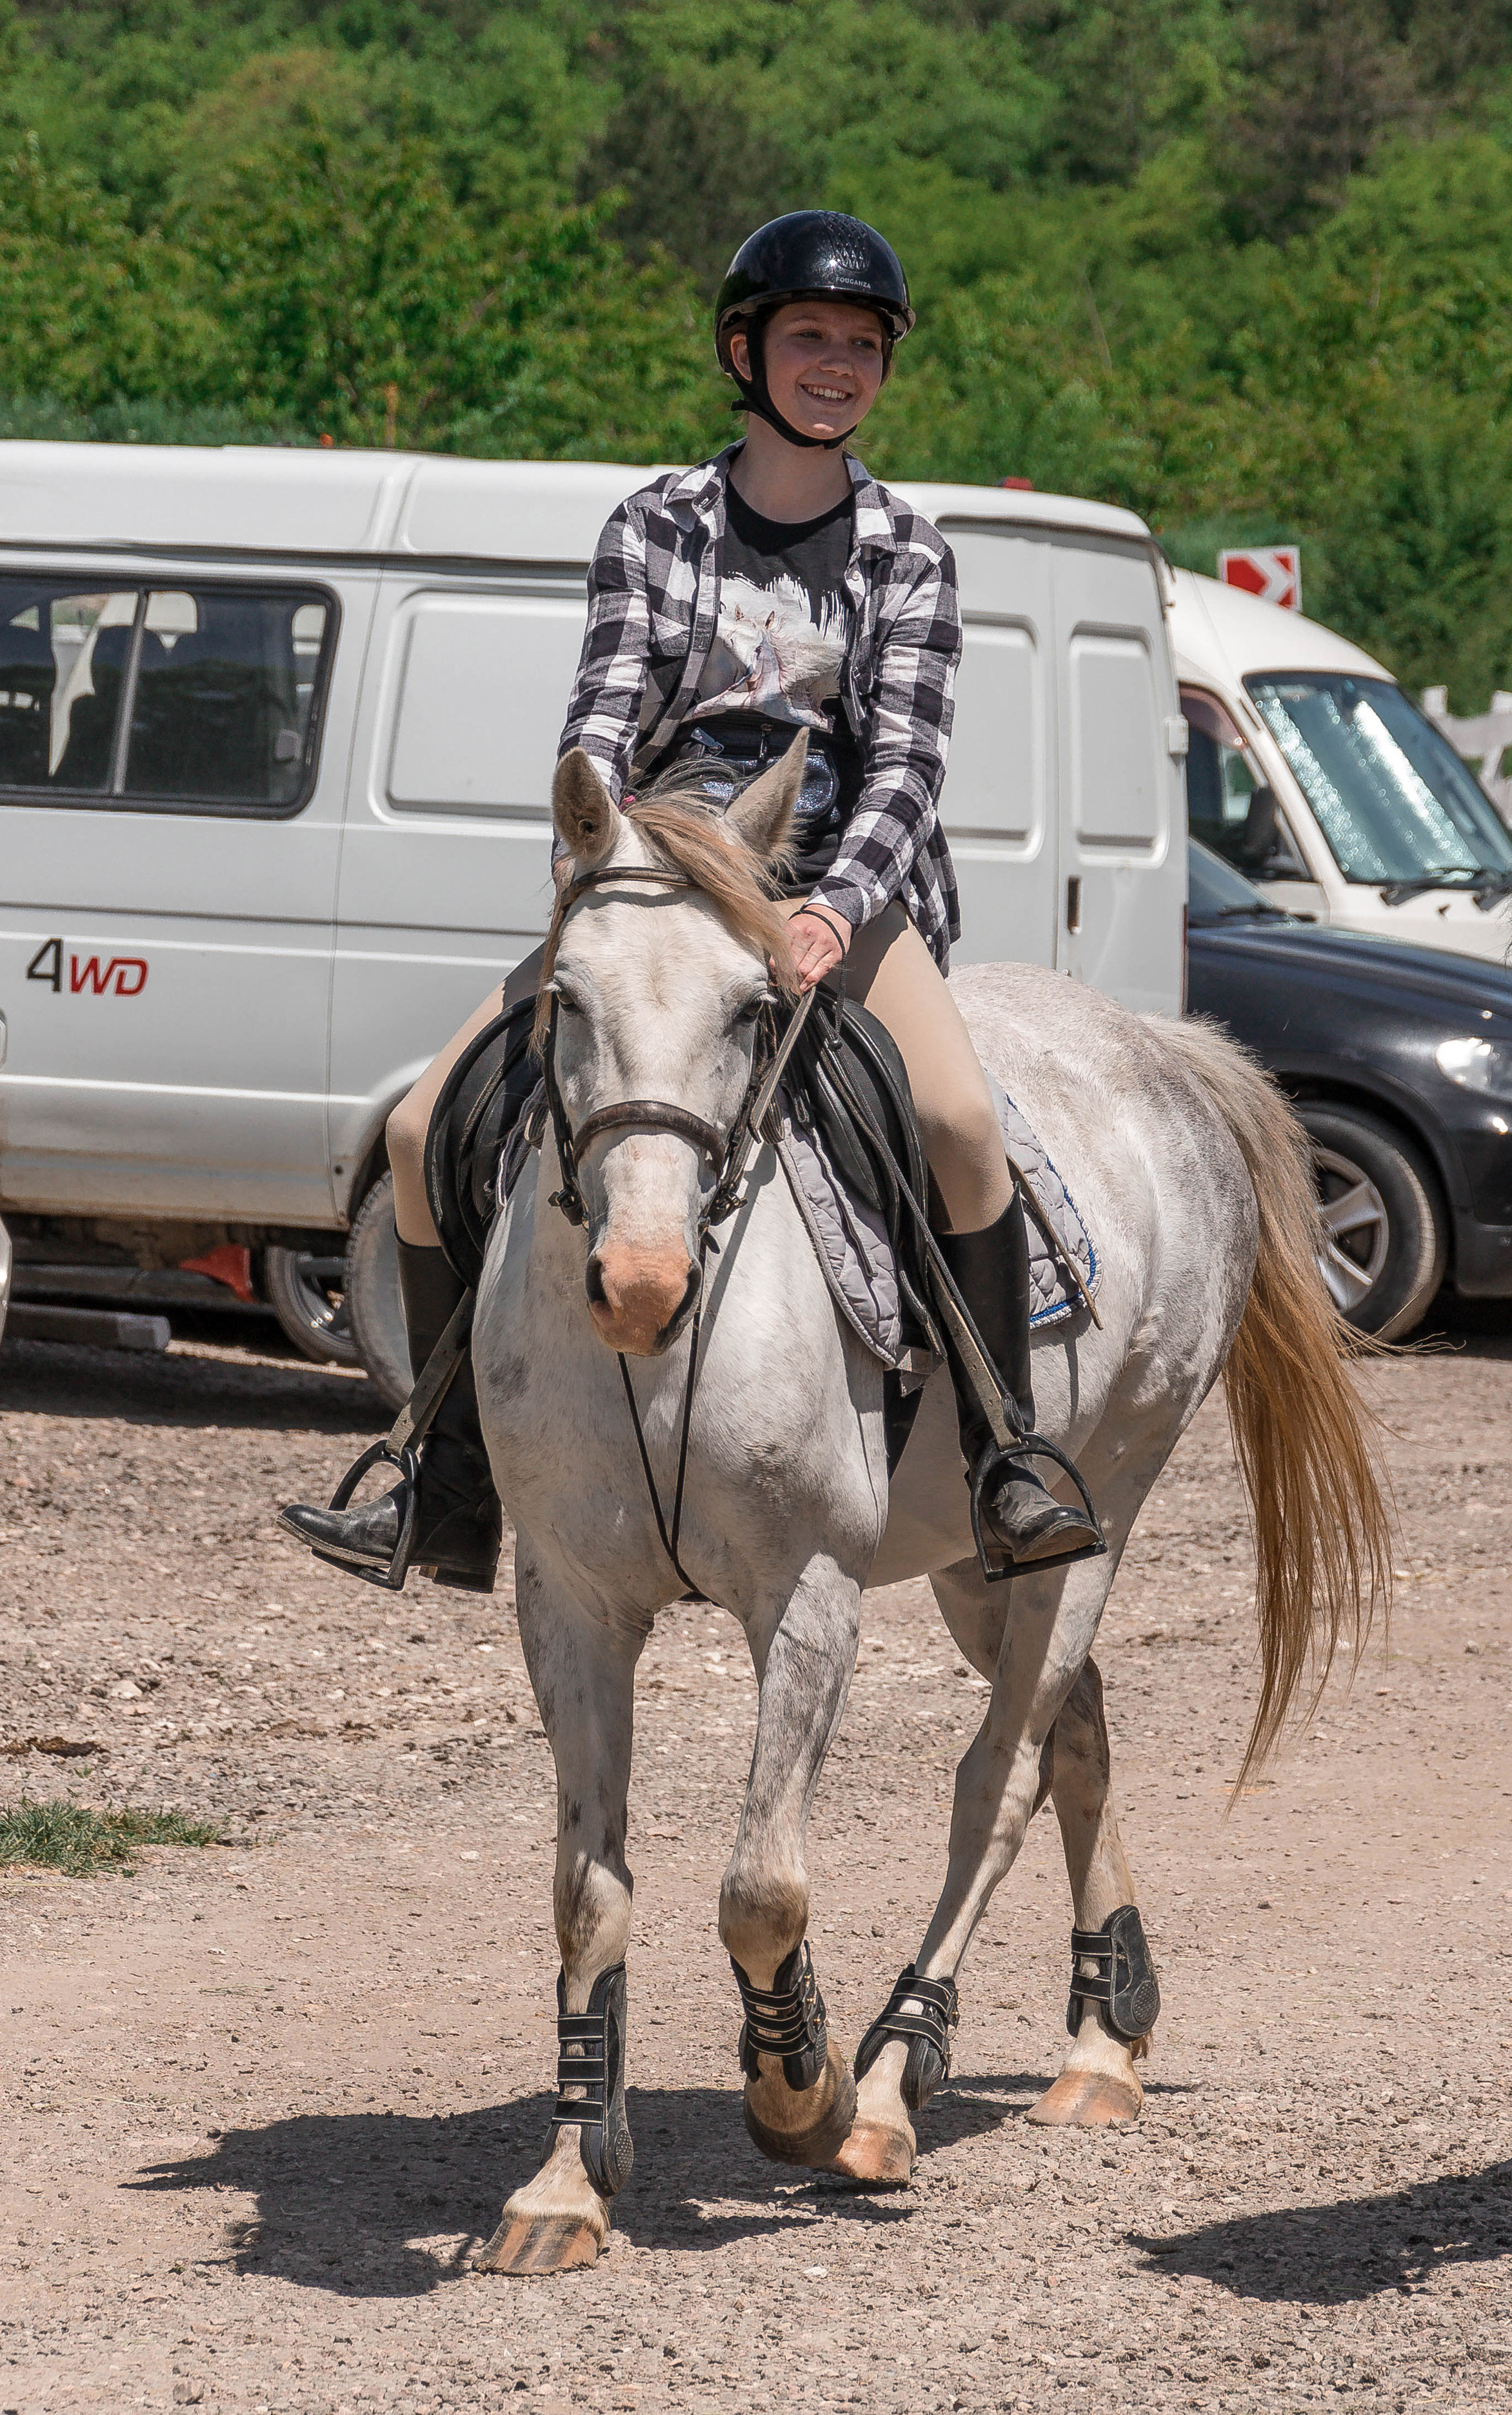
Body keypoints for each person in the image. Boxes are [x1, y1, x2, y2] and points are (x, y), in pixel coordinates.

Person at [278, 209, 1094, 1588]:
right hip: (656, 887)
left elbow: (905, 767)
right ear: (743, 352)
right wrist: (588, 850)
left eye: (861, 344)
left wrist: (833, 911)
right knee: (420, 1131)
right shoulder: (656, 522)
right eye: (808, 336)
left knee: (959, 1123)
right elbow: (604, 712)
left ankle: (1004, 1457)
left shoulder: (908, 551)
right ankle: (448, 1480)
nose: (836, 364)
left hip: (829, 887)